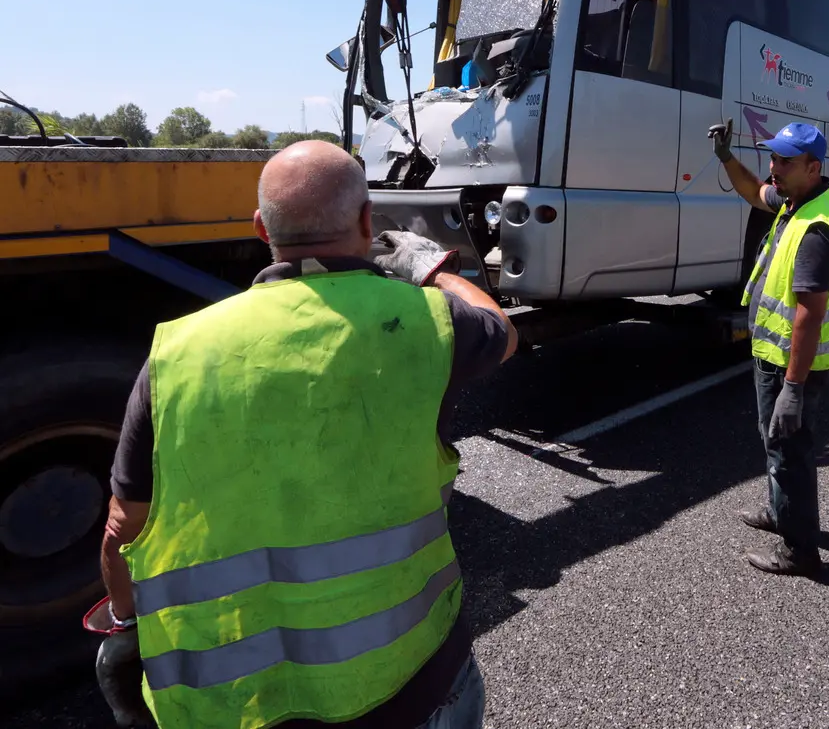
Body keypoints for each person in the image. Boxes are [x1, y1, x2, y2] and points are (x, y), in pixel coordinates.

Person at [96, 141, 518, 729]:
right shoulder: (426, 323)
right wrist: (431, 268)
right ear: (368, 222)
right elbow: (501, 330)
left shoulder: (177, 351)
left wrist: (123, 619)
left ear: (260, 227)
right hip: (409, 678)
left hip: (239, 702)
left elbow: (125, 524)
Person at [707, 120, 829, 577]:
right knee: (775, 441)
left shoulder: (817, 228)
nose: (773, 167)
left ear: (813, 167)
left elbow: (809, 315)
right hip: (774, 354)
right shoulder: (798, 200)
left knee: (790, 449)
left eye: (784, 161)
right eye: (772, 157)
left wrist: (793, 386)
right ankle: (781, 513)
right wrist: (725, 158)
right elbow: (755, 192)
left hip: (795, 364)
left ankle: (800, 552)